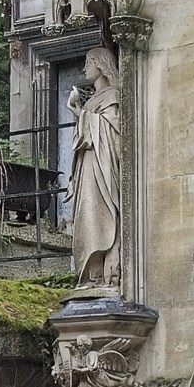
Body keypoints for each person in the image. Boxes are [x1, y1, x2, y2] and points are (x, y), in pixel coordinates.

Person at [67, 43, 123, 294]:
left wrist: (84, 117)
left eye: (88, 63)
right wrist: (80, 112)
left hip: (102, 165)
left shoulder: (113, 95)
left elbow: (114, 131)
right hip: (88, 166)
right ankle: (90, 272)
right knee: (86, 217)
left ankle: (103, 270)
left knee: (99, 214)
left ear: (101, 65)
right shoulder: (93, 102)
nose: (84, 68)